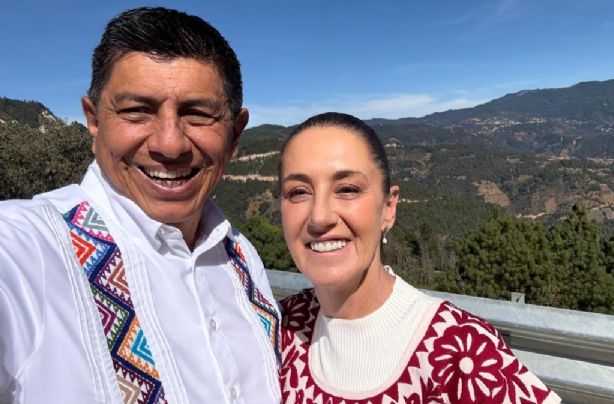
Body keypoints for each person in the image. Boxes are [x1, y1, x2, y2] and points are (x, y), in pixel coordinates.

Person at [0, 7, 280, 403]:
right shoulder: (27, 250)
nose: (169, 144)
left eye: (198, 114)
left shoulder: (242, 260)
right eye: (137, 111)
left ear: (234, 136)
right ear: (94, 121)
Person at [277, 112, 561, 403]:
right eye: (298, 192)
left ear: (388, 207)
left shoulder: (460, 352)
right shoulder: (277, 330)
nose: (319, 217)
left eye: (347, 189)